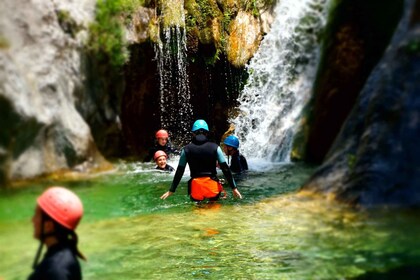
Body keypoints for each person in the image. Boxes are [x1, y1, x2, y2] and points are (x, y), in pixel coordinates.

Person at [160, 119, 242, 202]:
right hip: (212, 186)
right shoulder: (215, 147)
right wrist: (234, 188)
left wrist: (172, 190)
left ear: (193, 133)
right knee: (215, 211)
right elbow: (225, 168)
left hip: (196, 188)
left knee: (197, 211)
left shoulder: (186, 149)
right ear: (207, 133)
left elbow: (180, 171)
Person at [28, 186, 85, 280]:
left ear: (48, 226)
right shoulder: (63, 255)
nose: (32, 220)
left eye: (36, 215)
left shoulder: (55, 270)